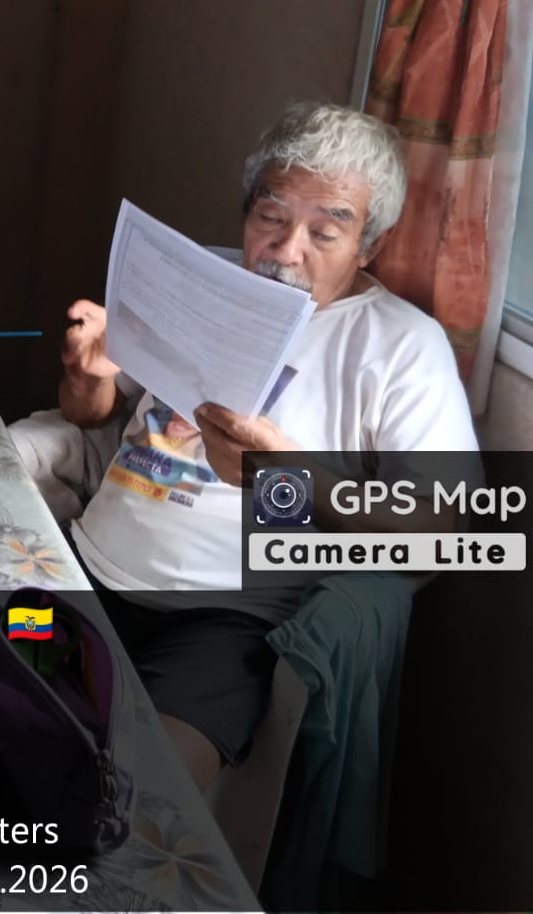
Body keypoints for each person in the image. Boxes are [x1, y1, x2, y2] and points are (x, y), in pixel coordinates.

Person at [57, 102, 477, 789]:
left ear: (369, 246)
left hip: (224, 623)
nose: (284, 251)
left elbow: (440, 534)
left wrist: (283, 474)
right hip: (86, 572)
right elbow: (89, 414)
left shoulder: (403, 345)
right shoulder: (203, 280)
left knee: (138, 798)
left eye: (324, 232)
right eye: (271, 217)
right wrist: (87, 375)